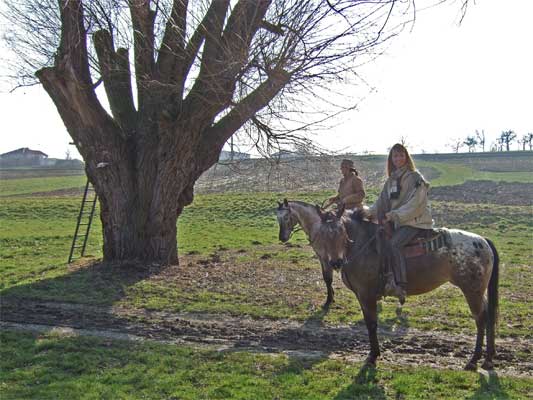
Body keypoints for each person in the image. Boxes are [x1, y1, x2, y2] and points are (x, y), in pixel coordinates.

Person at [369, 143, 434, 304]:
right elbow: (381, 202)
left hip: (415, 221)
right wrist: (365, 212)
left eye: (401, 155)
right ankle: (382, 281)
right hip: (398, 221)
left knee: (394, 245)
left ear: (406, 157)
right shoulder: (391, 180)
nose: (398, 159)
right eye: (395, 156)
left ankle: (401, 284)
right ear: (391, 159)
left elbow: (416, 204)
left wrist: (394, 215)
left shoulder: (415, 177)